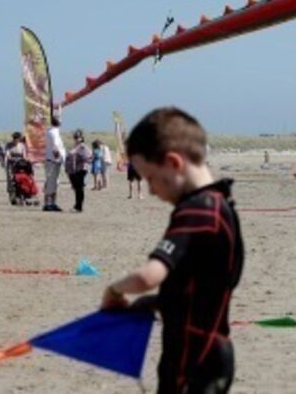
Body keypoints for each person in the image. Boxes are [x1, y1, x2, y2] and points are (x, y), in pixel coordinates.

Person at [101, 107, 244, 393]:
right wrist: (156, 302)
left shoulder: (197, 211)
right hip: (212, 355)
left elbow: (148, 276)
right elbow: (203, 288)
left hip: (192, 360)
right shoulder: (221, 207)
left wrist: (113, 291)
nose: (152, 191)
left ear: (173, 163)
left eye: (151, 178)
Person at [43, 118, 66, 212]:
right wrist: (58, 157)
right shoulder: (53, 132)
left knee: (54, 183)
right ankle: (48, 203)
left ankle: (52, 203)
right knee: (51, 183)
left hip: (53, 161)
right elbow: (55, 147)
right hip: (53, 161)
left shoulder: (52, 131)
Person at [66, 130, 91, 212]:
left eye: (78, 137)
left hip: (81, 169)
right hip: (74, 170)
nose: (76, 139)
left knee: (79, 188)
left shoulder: (82, 146)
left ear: (81, 138)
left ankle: (78, 207)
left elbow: (89, 157)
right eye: (75, 137)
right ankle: (77, 205)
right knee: (77, 188)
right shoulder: (75, 146)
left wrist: (81, 160)